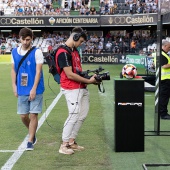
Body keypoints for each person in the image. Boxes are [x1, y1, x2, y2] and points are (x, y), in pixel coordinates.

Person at [55, 27, 99, 155]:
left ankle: (71, 142)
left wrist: (90, 78)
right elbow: (70, 75)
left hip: (81, 87)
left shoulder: (74, 50)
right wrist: (89, 81)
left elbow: (78, 71)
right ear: (74, 38)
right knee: (74, 115)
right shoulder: (63, 52)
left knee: (82, 115)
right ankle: (63, 145)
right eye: (80, 41)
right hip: (70, 88)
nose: (81, 44)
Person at [11, 27, 45, 150]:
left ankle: (30, 141)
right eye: (24, 39)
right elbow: (13, 70)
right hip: (22, 88)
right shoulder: (14, 52)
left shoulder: (37, 52)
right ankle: (32, 132)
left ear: (32, 39)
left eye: (28, 40)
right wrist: (14, 86)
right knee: (23, 116)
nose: (26, 42)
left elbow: (38, 72)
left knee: (33, 115)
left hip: (36, 88)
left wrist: (34, 88)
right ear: (19, 38)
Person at [158, 40, 170, 119]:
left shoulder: (162, 54)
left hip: (165, 79)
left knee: (164, 97)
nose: (169, 49)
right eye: (169, 47)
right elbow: (164, 66)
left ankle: (162, 112)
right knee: (164, 97)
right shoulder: (162, 54)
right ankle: (163, 114)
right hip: (165, 79)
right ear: (165, 46)